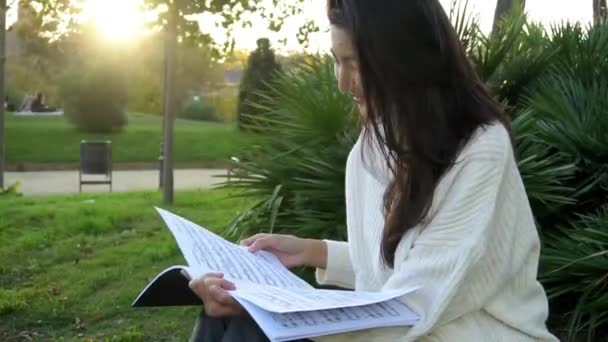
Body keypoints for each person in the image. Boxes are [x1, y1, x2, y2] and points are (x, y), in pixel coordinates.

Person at [187, 0, 559, 341]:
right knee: (223, 318)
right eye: (336, 60)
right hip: (407, 328)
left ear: (406, 59)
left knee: (246, 326)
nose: (342, 82)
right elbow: (402, 267)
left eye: (354, 63)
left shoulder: (481, 150)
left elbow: (412, 306)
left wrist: (268, 311)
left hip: (474, 333)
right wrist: (312, 252)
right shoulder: (369, 150)